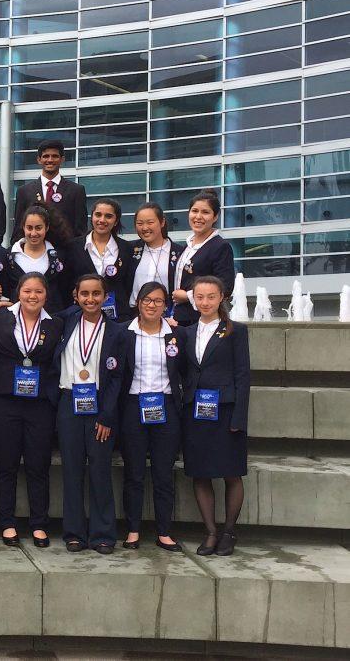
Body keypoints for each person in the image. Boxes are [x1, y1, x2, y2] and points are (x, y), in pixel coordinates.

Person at [0, 273, 63, 548]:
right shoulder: (0, 318)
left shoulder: (55, 325)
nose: (33, 296)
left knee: (37, 464)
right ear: (18, 292)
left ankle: (39, 523)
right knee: (5, 464)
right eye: (27, 290)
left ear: (46, 295)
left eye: (38, 292)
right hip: (5, 399)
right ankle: (6, 522)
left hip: (39, 403)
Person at [51, 274, 125, 555]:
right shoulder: (65, 322)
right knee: (71, 470)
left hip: (99, 404)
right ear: (75, 296)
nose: (90, 299)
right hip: (69, 401)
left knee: (100, 470)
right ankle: (73, 532)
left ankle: (103, 533)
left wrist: (107, 416)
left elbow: (117, 378)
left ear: (105, 297)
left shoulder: (116, 331)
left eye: (96, 294)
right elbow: (33, 310)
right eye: (85, 294)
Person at [182, 276, 250, 557]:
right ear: (193, 299)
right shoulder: (186, 332)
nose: (205, 302)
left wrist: (239, 419)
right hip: (196, 413)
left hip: (225, 411)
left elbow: (243, 377)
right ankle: (210, 531)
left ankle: (229, 531)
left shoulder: (235, 331)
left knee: (231, 474)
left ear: (221, 297)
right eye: (200, 297)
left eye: (211, 296)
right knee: (201, 474)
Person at [119, 281, 186, 552]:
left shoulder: (177, 336)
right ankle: (133, 529)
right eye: (147, 299)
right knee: (133, 473)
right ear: (138, 302)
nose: (152, 305)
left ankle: (164, 531)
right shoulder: (124, 333)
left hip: (166, 407)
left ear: (165, 305)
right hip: (133, 406)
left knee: (163, 473)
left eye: (158, 300)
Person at [171, 190, 236, 327]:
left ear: (215, 217)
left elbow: (225, 287)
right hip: (180, 318)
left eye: (205, 212)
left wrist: (188, 296)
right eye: (194, 211)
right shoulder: (187, 246)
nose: (198, 217)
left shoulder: (220, 246)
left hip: (203, 320)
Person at [64, 199, 133, 322]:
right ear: (92, 217)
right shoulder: (73, 246)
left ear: (116, 221)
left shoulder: (126, 249)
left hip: (118, 318)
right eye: (98, 215)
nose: (102, 220)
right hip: (81, 315)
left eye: (108, 216)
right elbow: (66, 281)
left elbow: (128, 285)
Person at [5, 203, 74, 314]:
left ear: (46, 228)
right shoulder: (9, 256)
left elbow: (65, 289)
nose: (33, 233)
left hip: (52, 317)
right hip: (18, 319)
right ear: (23, 227)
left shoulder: (58, 256)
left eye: (38, 228)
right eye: (29, 228)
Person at [12, 139, 87, 240]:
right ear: (39, 160)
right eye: (46, 156)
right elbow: (19, 229)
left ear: (62, 159)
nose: (50, 160)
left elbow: (80, 230)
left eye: (55, 156)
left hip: (66, 252)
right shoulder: (24, 191)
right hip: (33, 252)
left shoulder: (76, 191)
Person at [126, 202, 184, 317]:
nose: (145, 228)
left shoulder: (179, 253)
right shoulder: (129, 250)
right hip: (134, 317)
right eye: (140, 223)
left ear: (162, 222)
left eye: (150, 222)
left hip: (168, 317)